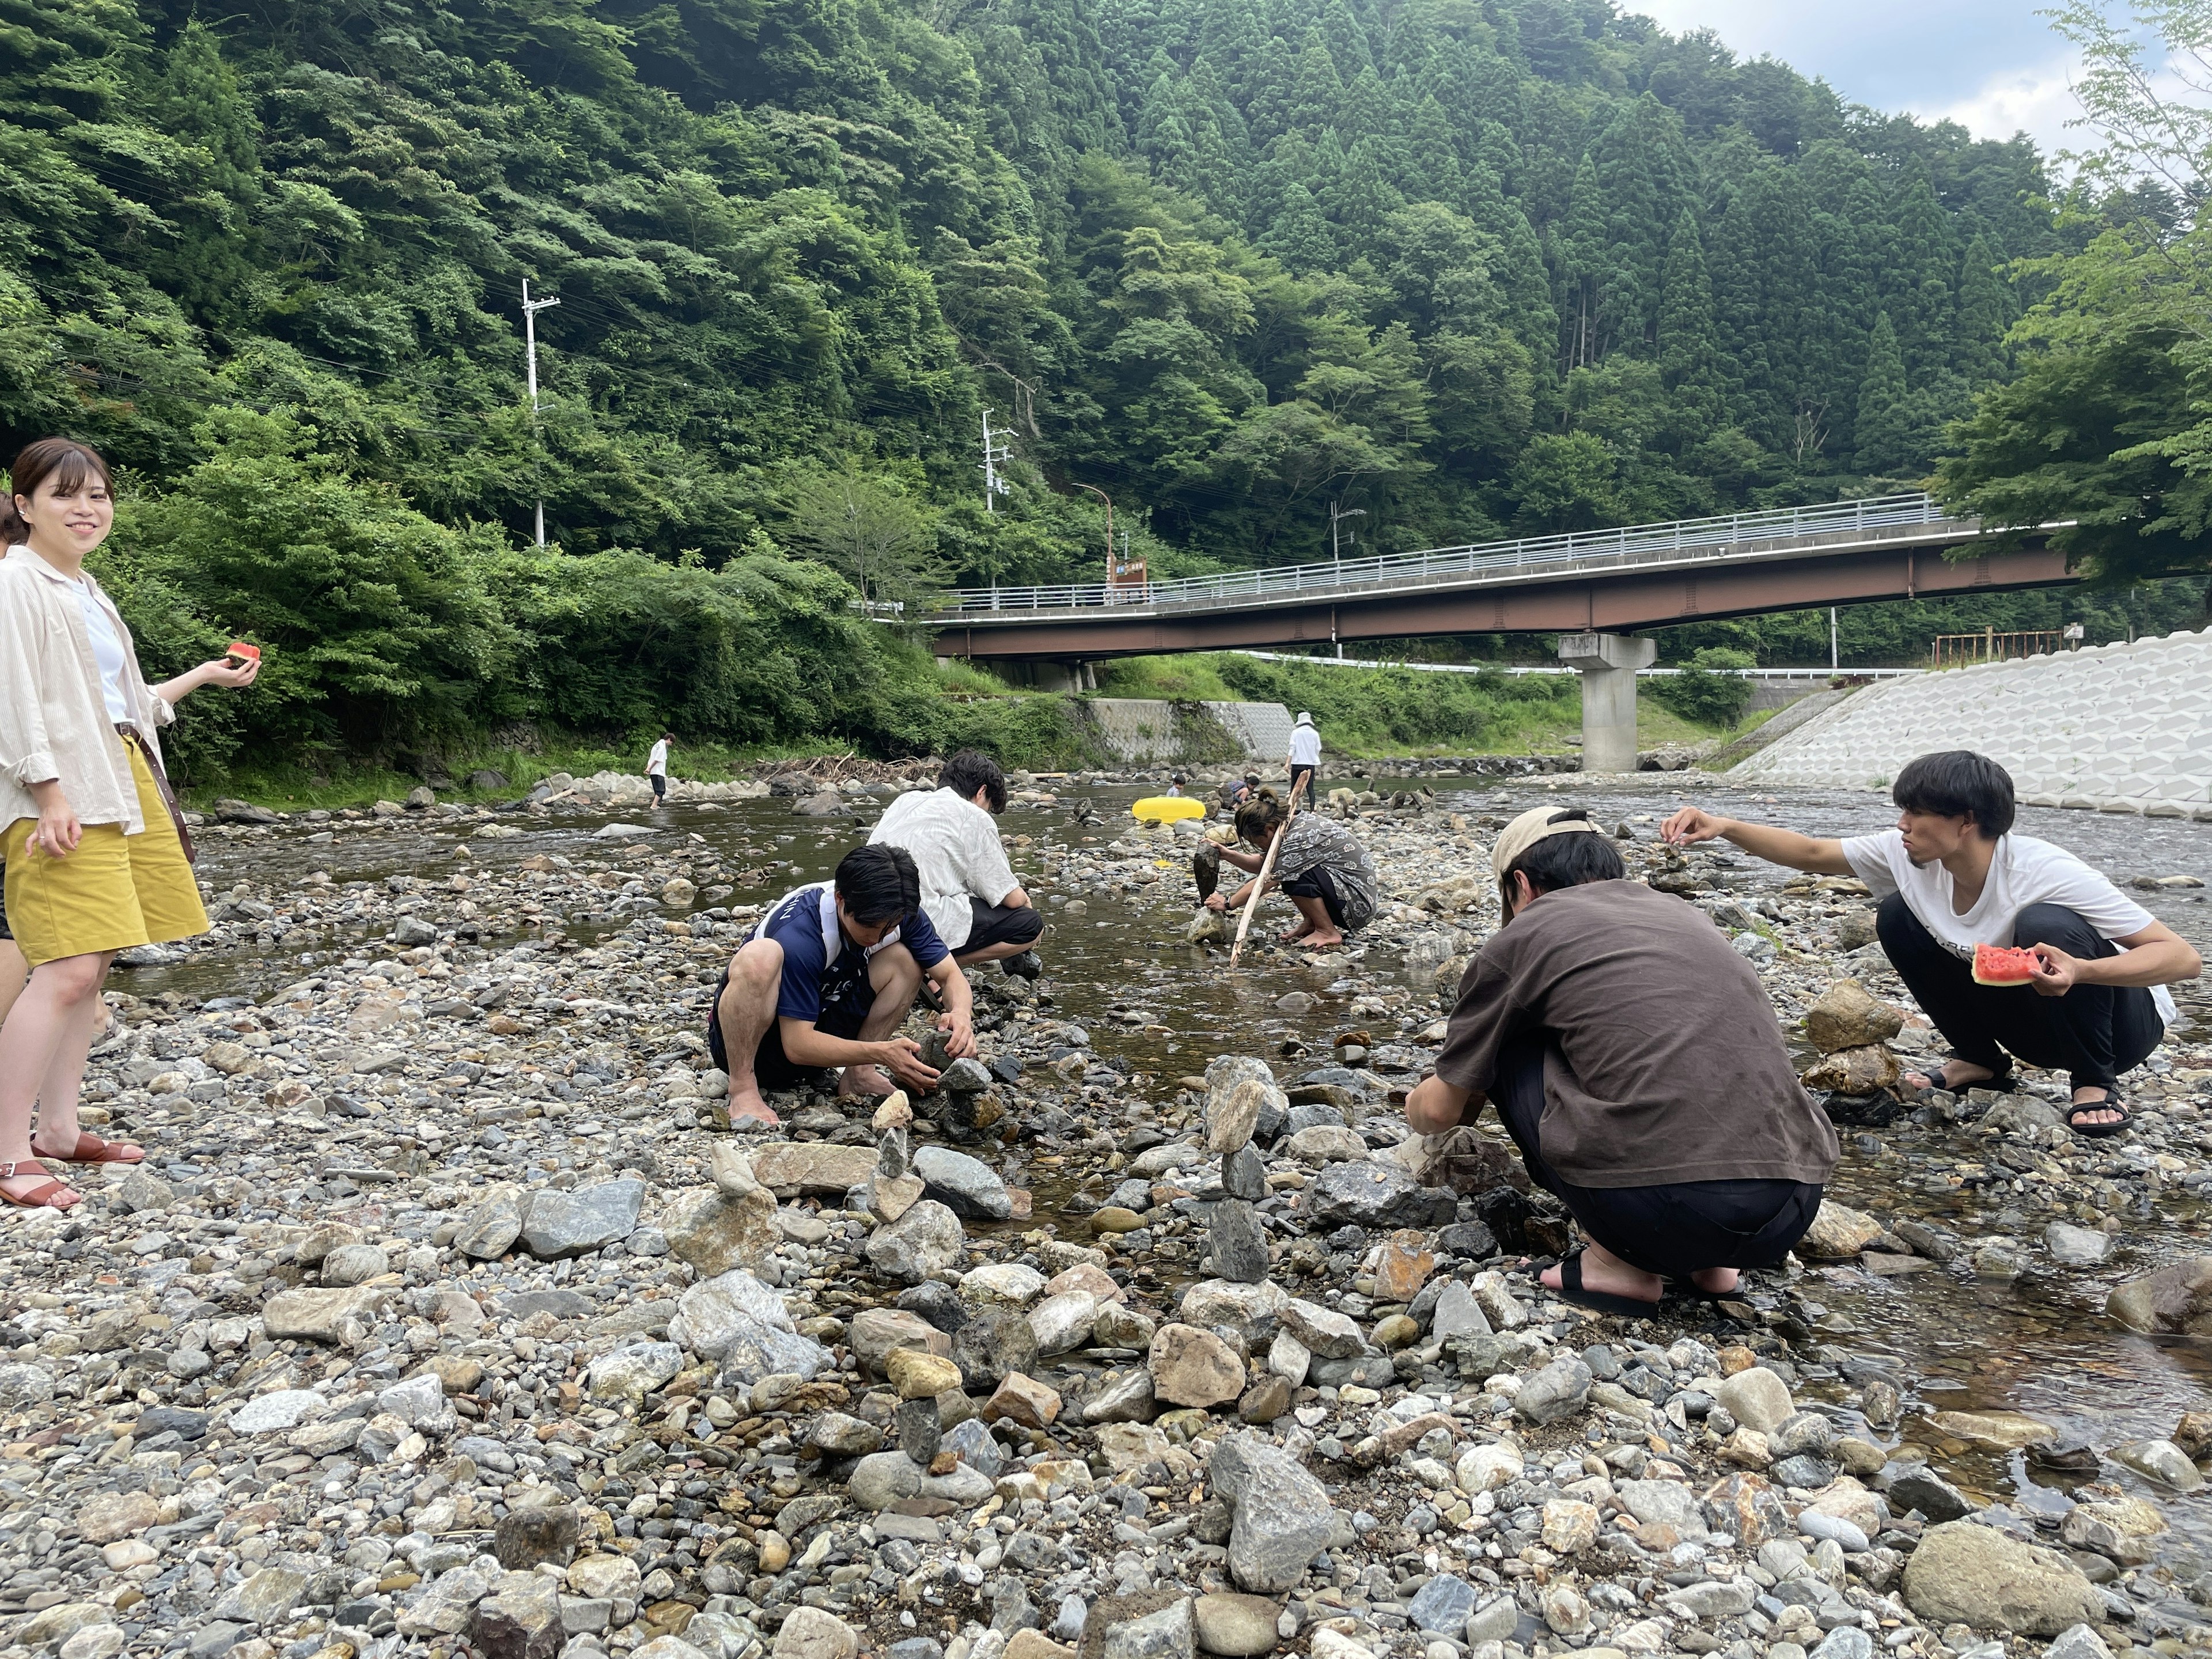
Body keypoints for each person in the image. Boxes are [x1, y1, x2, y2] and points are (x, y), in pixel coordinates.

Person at [1405, 805, 1839, 1315]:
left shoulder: (1524, 935)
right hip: (1789, 1211)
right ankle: (1712, 1268)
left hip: (1658, 1213)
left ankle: (1617, 1266)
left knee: (1513, 1036)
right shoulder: (1683, 915)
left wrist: (1416, 1102)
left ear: (1521, 884)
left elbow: (1438, 1113)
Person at [1662, 751, 2201, 1137]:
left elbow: (2182, 957)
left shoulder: (2045, 871)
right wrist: (1725, 825)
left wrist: (2082, 971)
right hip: (2035, 1026)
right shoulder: (1910, 855)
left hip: (2120, 1031)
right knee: (1897, 913)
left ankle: (2093, 1085)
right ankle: (1981, 1061)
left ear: (1966, 822)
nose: (1902, 824)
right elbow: (1809, 851)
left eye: (1915, 814)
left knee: (2050, 924)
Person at [0, 437, 261, 1209]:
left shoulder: (87, 590)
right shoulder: (17, 583)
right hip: (60, 790)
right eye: (64, 495)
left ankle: (58, 1131)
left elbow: (124, 704)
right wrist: (47, 792)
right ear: (25, 507)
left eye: (99, 496)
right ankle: (11, 1153)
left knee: (96, 965)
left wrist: (207, 676)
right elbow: (11, 699)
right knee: (68, 966)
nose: (86, 509)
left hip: (120, 780)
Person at [708, 843, 978, 1128]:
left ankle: (858, 1074)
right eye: (870, 926)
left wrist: (961, 1013)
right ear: (840, 899)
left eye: (889, 927)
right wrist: (883, 1052)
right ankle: (743, 1088)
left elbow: (950, 975)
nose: (879, 936)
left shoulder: (900, 912)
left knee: (905, 960)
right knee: (759, 958)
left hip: (821, 1023)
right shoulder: (803, 934)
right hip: (761, 1043)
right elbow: (797, 1045)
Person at [868, 750, 1043, 977]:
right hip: (916, 921)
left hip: (869, 911)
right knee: (1029, 925)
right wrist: (1026, 902)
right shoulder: (974, 816)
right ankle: (936, 966)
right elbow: (1009, 897)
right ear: (982, 792)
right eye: (989, 806)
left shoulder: (906, 800)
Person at [1204, 786, 1378, 949]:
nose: (1259, 847)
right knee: (1289, 872)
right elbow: (1266, 865)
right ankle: (1313, 923)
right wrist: (1228, 855)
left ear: (1269, 829)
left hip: (1357, 906)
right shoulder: (1291, 823)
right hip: (1347, 895)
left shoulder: (1301, 837)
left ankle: (1327, 932)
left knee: (1293, 876)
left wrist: (1228, 903)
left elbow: (1267, 880)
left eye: (1257, 843)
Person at [1287, 713, 1321, 804]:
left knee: (1294, 787)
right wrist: (1313, 756)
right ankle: (1312, 809)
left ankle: (1291, 808)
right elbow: (1318, 748)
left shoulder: (1295, 732)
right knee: (1310, 788)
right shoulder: (1315, 734)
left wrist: (1287, 763)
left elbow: (1292, 748)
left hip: (1297, 764)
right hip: (1310, 764)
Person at [647, 733, 672, 804]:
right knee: (661, 790)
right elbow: (657, 760)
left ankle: (658, 805)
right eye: (671, 742)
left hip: (653, 772)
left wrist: (648, 768)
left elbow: (651, 758)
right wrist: (649, 768)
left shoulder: (656, 746)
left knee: (657, 790)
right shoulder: (662, 747)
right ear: (669, 739)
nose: (671, 744)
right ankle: (654, 805)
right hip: (658, 772)